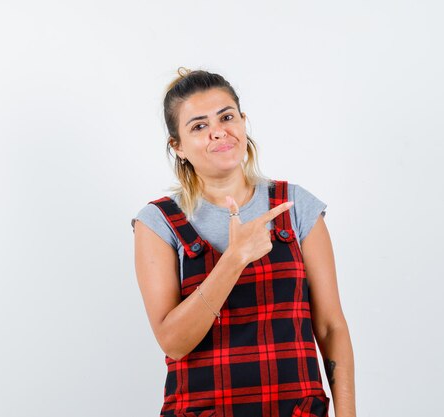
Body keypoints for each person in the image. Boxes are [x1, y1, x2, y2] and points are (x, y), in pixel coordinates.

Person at [131, 68, 356, 417]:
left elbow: (330, 326)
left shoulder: (295, 206)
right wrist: (234, 259)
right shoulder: (158, 223)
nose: (219, 131)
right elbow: (173, 342)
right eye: (199, 126)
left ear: (243, 121)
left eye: (227, 116)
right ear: (177, 146)